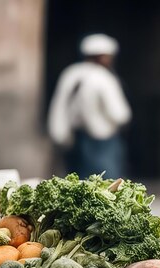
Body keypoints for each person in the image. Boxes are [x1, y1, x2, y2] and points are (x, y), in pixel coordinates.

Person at [48, 33, 132, 180]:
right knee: (107, 184)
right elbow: (119, 114)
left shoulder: (70, 73)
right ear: (103, 56)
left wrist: (59, 133)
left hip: (75, 138)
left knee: (80, 183)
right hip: (102, 141)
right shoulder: (103, 77)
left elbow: (59, 106)